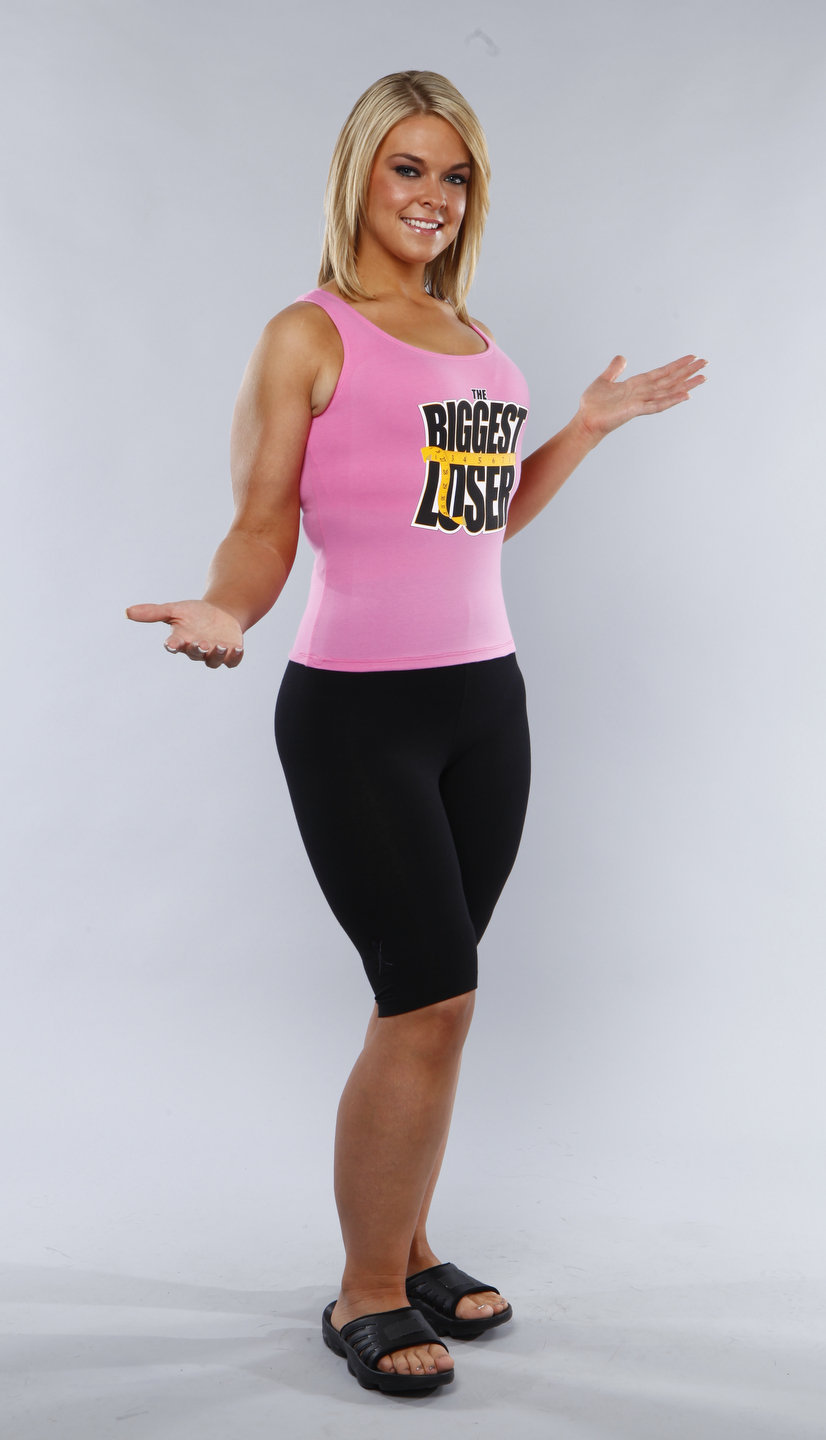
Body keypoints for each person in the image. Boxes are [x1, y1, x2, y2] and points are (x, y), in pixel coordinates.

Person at [127, 70, 706, 1396]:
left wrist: (581, 430)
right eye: (408, 168)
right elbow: (263, 522)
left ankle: (407, 1241)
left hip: (484, 706)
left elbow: (474, 519)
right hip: (359, 715)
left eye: (453, 175)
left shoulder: (477, 341)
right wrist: (226, 606)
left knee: (435, 1006)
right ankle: (368, 1290)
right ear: (359, 175)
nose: (432, 196)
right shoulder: (307, 333)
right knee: (427, 996)